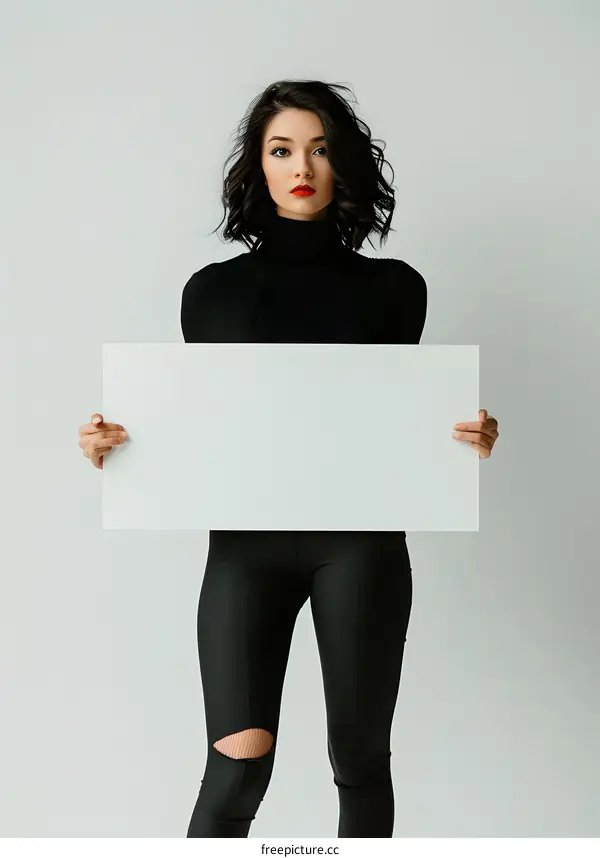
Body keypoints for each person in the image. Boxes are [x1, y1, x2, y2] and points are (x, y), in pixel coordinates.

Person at [78, 79, 500, 838]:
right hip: (246, 552)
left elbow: (391, 421)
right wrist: (117, 447)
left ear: (343, 165)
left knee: (360, 760)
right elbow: (200, 427)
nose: (301, 164)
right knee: (238, 767)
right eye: (281, 149)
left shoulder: (397, 290)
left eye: (319, 147)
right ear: (259, 167)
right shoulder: (210, 294)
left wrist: (463, 433)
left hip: (361, 547)